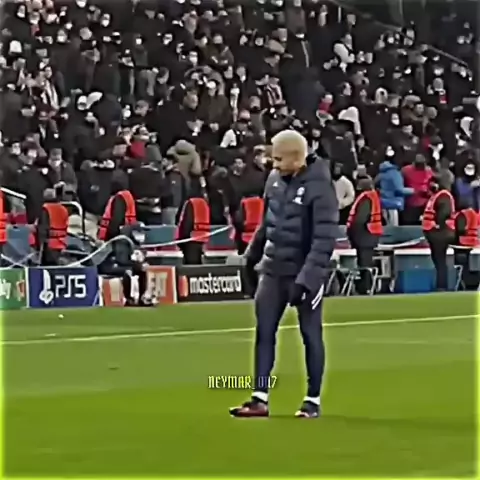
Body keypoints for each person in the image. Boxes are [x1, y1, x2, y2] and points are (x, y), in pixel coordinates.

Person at [230, 130, 338, 419]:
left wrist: (307, 279)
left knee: (310, 334)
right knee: (264, 331)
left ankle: (312, 400)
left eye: (279, 159)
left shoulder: (320, 187)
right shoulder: (274, 180)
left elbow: (324, 239)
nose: (274, 164)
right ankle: (259, 398)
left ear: (296, 157)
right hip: (274, 268)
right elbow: (268, 223)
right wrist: (251, 257)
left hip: (303, 272)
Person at [346, 178, 384, 294]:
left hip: (364, 235)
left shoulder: (366, 199)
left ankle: (366, 287)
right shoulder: (372, 197)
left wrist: (352, 233)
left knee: (364, 263)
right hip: (369, 235)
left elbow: (359, 219)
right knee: (365, 262)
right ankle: (366, 287)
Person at [421, 179, 456, 291]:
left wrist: (437, 224)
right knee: (437, 260)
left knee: (440, 260)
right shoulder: (436, 196)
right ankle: (440, 285)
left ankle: (442, 286)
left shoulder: (444, 196)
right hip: (436, 233)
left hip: (441, 233)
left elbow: (444, 214)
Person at [35, 193, 70, 266]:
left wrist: (39, 247)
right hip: (62, 243)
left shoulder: (45, 209)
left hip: (49, 246)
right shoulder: (63, 208)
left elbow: (43, 229)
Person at [453, 203, 478, 289]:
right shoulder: (473, 213)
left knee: (464, 265)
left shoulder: (462, 214)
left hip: (462, 244)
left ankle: (464, 284)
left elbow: (460, 230)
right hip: (473, 243)